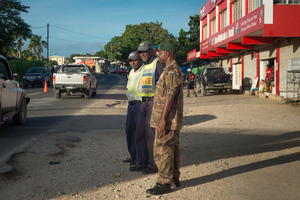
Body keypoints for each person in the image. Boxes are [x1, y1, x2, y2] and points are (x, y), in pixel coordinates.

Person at [146, 43, 183, 195]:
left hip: (167, 119)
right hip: (170, 119)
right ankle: (174, 177)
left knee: (162, 150)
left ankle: (163, 183)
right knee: (172, 148)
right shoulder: (170, 70)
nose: (157, 55)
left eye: (160, 52)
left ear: (167, 54)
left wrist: (162, 120)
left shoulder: (171, 71)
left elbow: (170, 95)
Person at [130, 42, 165, 174]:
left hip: (153, 103)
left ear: (151, 50)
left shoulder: (158, 63)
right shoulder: (144, 66)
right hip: (142, 103)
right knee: (140, 134)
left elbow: (164, 83)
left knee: (151, 136)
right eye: (140, 52)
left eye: (144, 51)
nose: (142, 54)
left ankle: (152, 164)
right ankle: (141, 162)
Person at [123, 51, 144, 165]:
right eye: (130, 60)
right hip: (131, 105)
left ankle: (140, 158)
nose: (133, 62)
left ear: (140, 59)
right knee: (130, 131)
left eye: (135, 60)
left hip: (140, 104)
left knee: (139, 132)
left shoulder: (144, 70)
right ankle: (133, 155)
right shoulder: (131, 72)